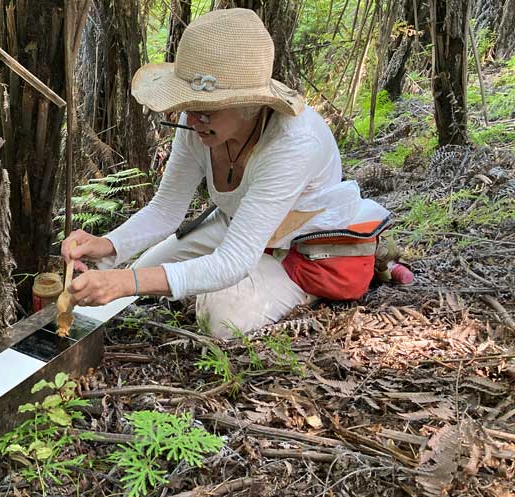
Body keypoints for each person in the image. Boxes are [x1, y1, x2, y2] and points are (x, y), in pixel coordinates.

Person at [60, 8, 390, 338]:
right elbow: (165, 210)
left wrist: (126, 282)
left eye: (205, 112)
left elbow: (233, 261)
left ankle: (319, 286)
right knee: (143, 272)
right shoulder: (198, 127)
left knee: (219, 318)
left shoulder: (292, 143)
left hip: (299, 249)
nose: (191, 122)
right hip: (238, 227)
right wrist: (107, 245)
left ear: (249, 105)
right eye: (188, 107)